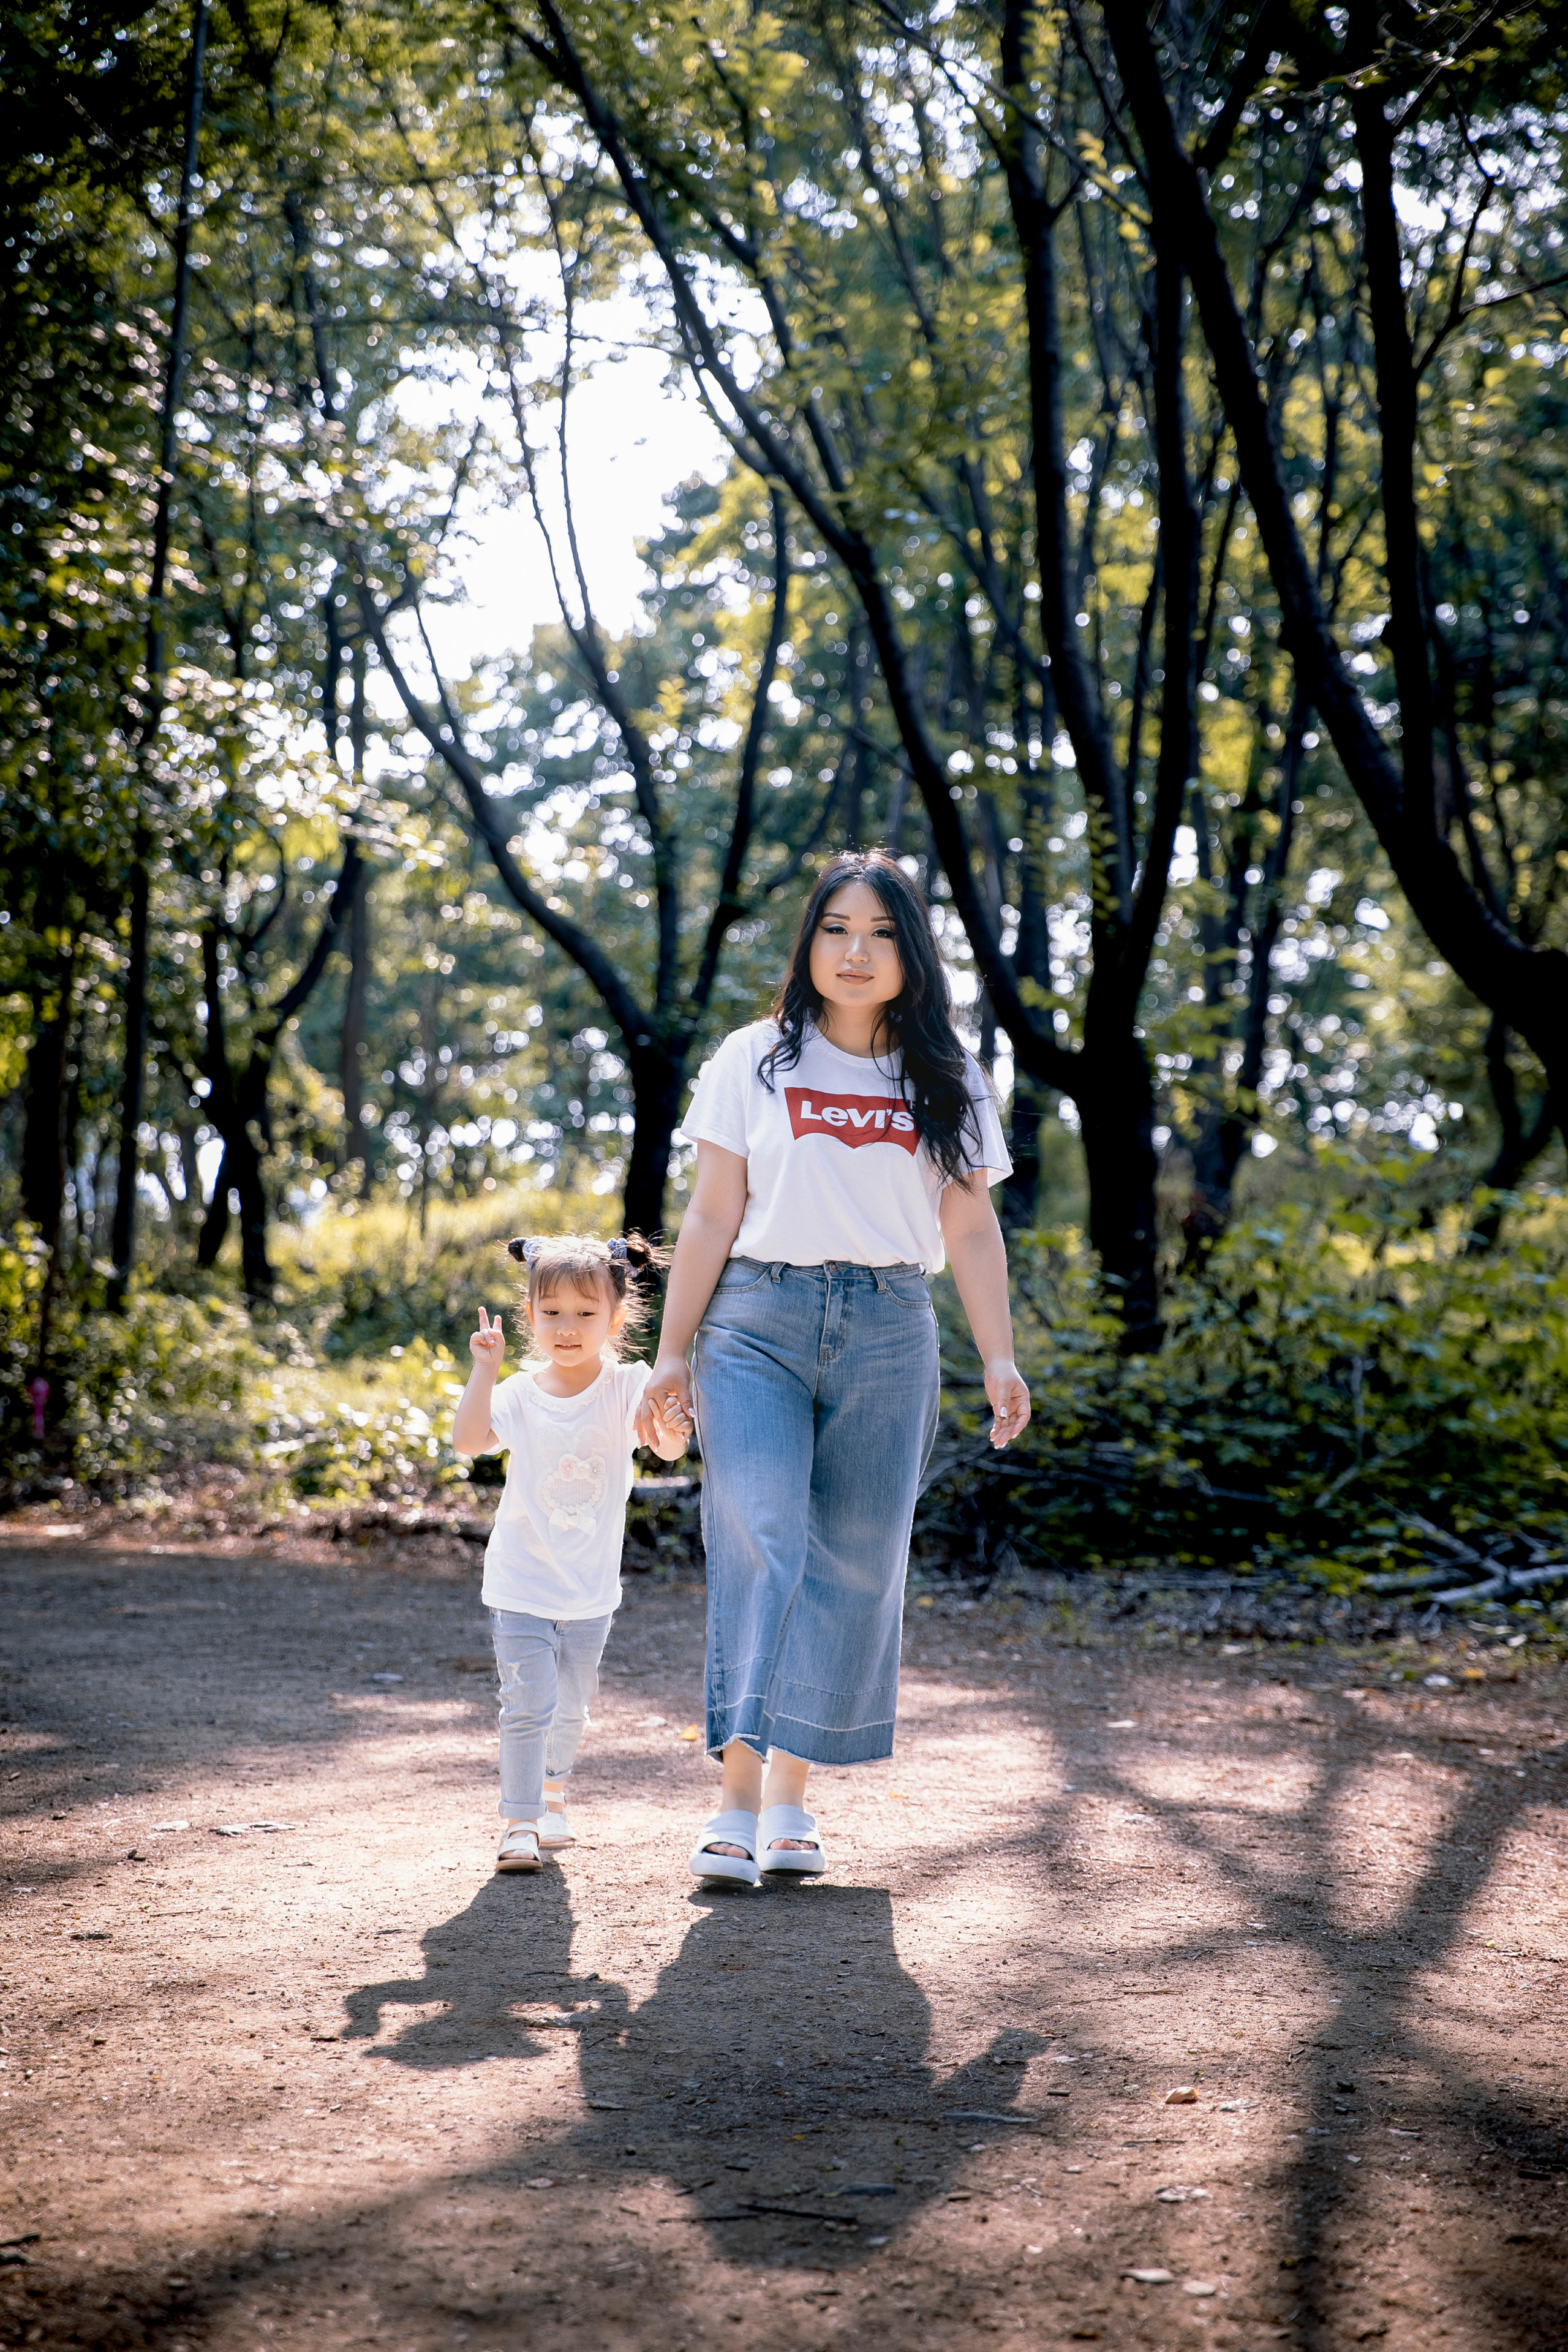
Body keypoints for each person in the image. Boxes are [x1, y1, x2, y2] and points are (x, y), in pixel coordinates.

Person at [635, 850, 1031, 1888]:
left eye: (882, 933)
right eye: (836, 929)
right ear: (809, 942)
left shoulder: (946, 1077)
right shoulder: (755, 1058)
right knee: (763, 1536)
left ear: (913, 953)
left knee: (854, 1559)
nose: (855, 953)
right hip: (756, 1319)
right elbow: (712, 1213)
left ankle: (790, 1803)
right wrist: (668, 1356)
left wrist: (999, 1355)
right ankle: (731, 1799)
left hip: (891, 1326)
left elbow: (973, 1228)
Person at [454, 1232, 690, 1873]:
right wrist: (484, 1369)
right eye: (551, 1312)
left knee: (572, 1703)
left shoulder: (627, 1386)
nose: (567, 1327)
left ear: (615, 1319)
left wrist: (672, 1415)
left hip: (590, 1589)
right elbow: (469, 1439)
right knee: (528, 1700)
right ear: (529, 1317)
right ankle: (520, 1822)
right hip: (521, 1581)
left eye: (586, 1314)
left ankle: (553, 1794)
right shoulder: (520, 1393)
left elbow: (667, 1449)